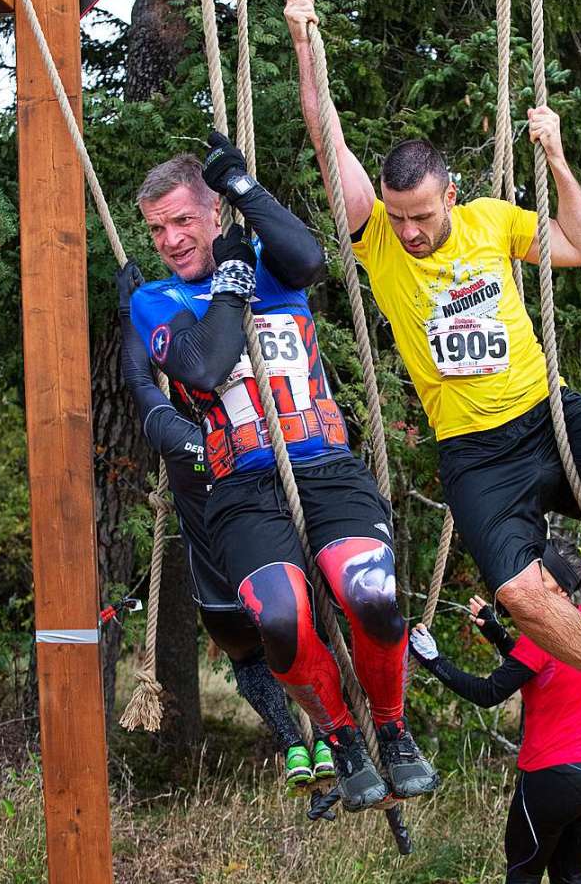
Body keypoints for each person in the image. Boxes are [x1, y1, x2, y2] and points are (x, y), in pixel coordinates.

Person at [285, 0, 581, 748]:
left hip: (547, 413)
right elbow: (325, 137)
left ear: (450, 194)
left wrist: (555, 156)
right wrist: (304, 42)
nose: (409, 230)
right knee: (518, 590)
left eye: (421, 213)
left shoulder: (488, 221)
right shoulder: (378, 239)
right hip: (474, 448)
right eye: (397, 214)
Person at [128, 134, 439, 811]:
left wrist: (241, 184)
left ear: (213, 216)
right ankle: (341, 737)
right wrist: (231, 285)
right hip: (241, 489)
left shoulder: (268, 261)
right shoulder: (155, 299)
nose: (171, 240)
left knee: (374, 596)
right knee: (280, 618)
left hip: (324, 466)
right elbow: (207, 364)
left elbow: (310, 257)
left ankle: (391, 728)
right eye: (157, 228)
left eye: (183, 220)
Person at [116, 263, 333, 791]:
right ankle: (329, 736)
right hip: (271, 572)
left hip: (220, 595)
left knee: (249, 662)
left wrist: (131, 314)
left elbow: (141, 380)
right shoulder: (258, 440)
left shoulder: (171, 434)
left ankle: (290, 743)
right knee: (307, 636)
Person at [410, 538, 581, 884]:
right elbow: (543, 671)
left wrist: (435, 661)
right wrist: (497, 634)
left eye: (540, 575)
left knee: (523, 875)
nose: (529, 580)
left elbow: (489, 692)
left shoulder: (541, 636)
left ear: (560, 588)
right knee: (570, 877)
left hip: (555, 778)